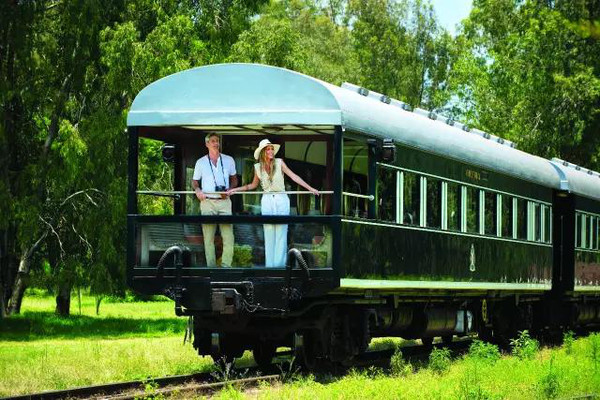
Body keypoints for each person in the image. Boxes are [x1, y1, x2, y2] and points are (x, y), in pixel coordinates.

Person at [227, 139, 318, 267]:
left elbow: (294, 176)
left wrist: (310, 189)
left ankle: (279, 266)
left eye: (271, 149)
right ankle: (270, 266)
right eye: (268, 149)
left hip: (281, 198)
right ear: (263, 152)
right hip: (267, 199)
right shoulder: (258, 167)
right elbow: (252, 185)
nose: (271, 151)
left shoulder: (280, 163)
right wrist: (235, 190)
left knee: (281, 231)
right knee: (268, 231)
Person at [192, 133, 238, 267]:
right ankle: (211, 268)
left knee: (228, 237)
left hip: (224, 202)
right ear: (206, 144)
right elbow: (195, 181)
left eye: (217, 141)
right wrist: (197, 190)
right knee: (208, 238)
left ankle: (226, 266)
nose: (216, 143)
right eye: (212, 141)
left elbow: (235, 179)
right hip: (207, 202)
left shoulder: (229, 160)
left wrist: (229, 189)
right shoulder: (200, 162)